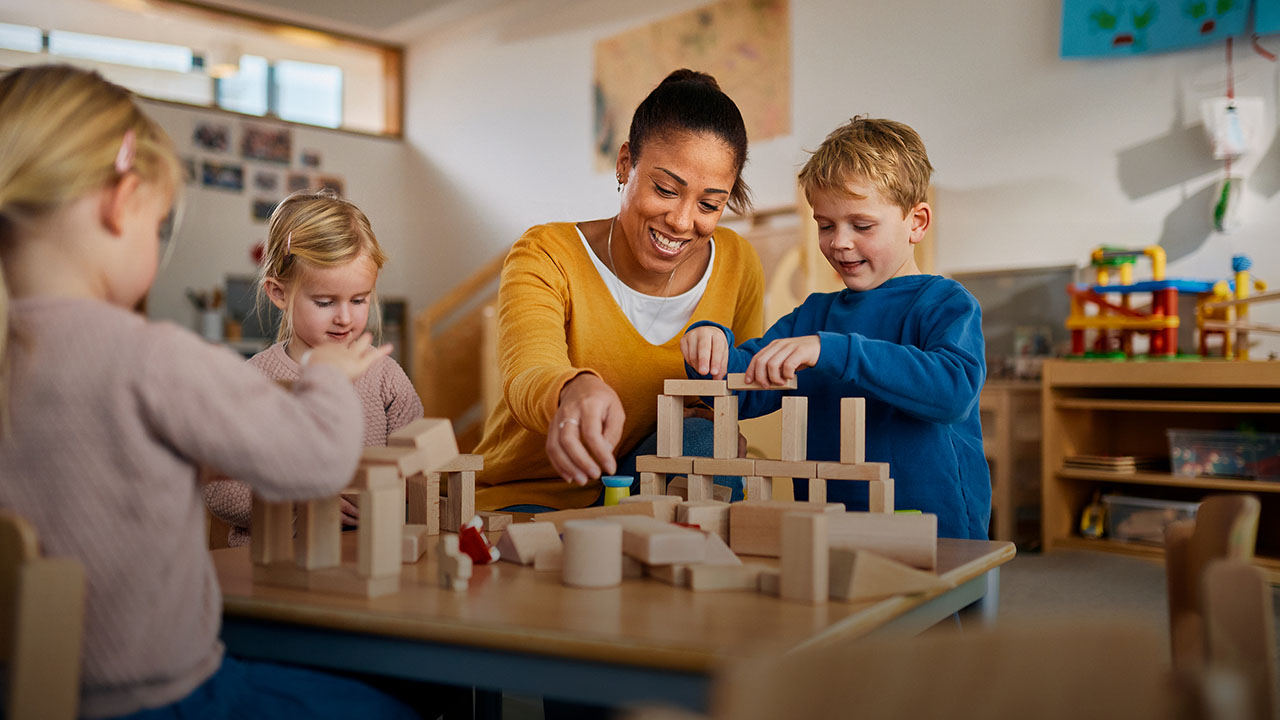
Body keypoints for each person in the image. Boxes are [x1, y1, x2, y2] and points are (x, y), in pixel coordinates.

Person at [0, 64, 418, 719]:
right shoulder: (149, 357)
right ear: (120, 204)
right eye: (158, 224)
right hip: (161, 698)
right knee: (399, 706)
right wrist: (329, 381)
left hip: (33, 697)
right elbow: (315, 458)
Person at [680, 116, 990, 539]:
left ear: (916, 222)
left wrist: (835, 352)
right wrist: (710, 350)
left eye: (861, 226)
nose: (839, 242)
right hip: (828, 526)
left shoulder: (946, 304)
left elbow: (952, 393)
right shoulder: (813, 316)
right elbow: (746, 387)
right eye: (825, 225)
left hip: (932, 528)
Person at [472, 69, 764, 512]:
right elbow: (527, 371)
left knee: (706, 437)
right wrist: (573, 389)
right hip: (534, 498)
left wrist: (713, 417)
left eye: (710, 204)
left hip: (643, 493)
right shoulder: (547, 253)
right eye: (666, 189)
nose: (683, 222)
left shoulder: (738, 263)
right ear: (626, 163)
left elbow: (733, 386)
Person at [203, 190, 423, 546]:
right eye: (324, 302)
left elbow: (420, 470)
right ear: (279, 293)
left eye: (359, 299)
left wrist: (394, 494)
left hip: (365, 563)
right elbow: (220, 489)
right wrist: (300, 502)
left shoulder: (386, 377)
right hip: (274, 566)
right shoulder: (254, 380)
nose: (345, 318)